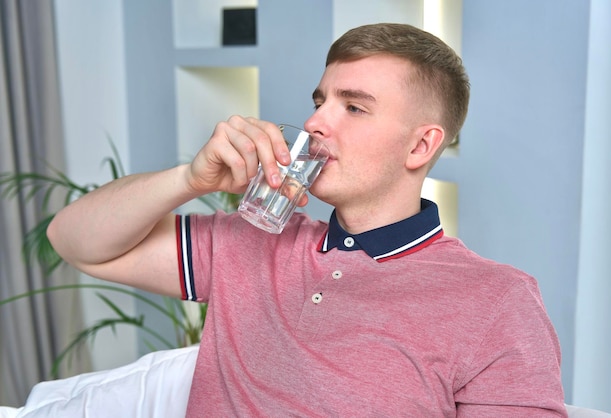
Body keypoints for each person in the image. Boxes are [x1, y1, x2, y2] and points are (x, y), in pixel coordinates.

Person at [47, 23, 566, 417]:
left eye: (354, 108)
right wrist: (191, 179)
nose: (316, 122)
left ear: (421, 144)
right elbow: (75, 242)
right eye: (320, 101)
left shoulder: (497, 299)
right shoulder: (252, 240)